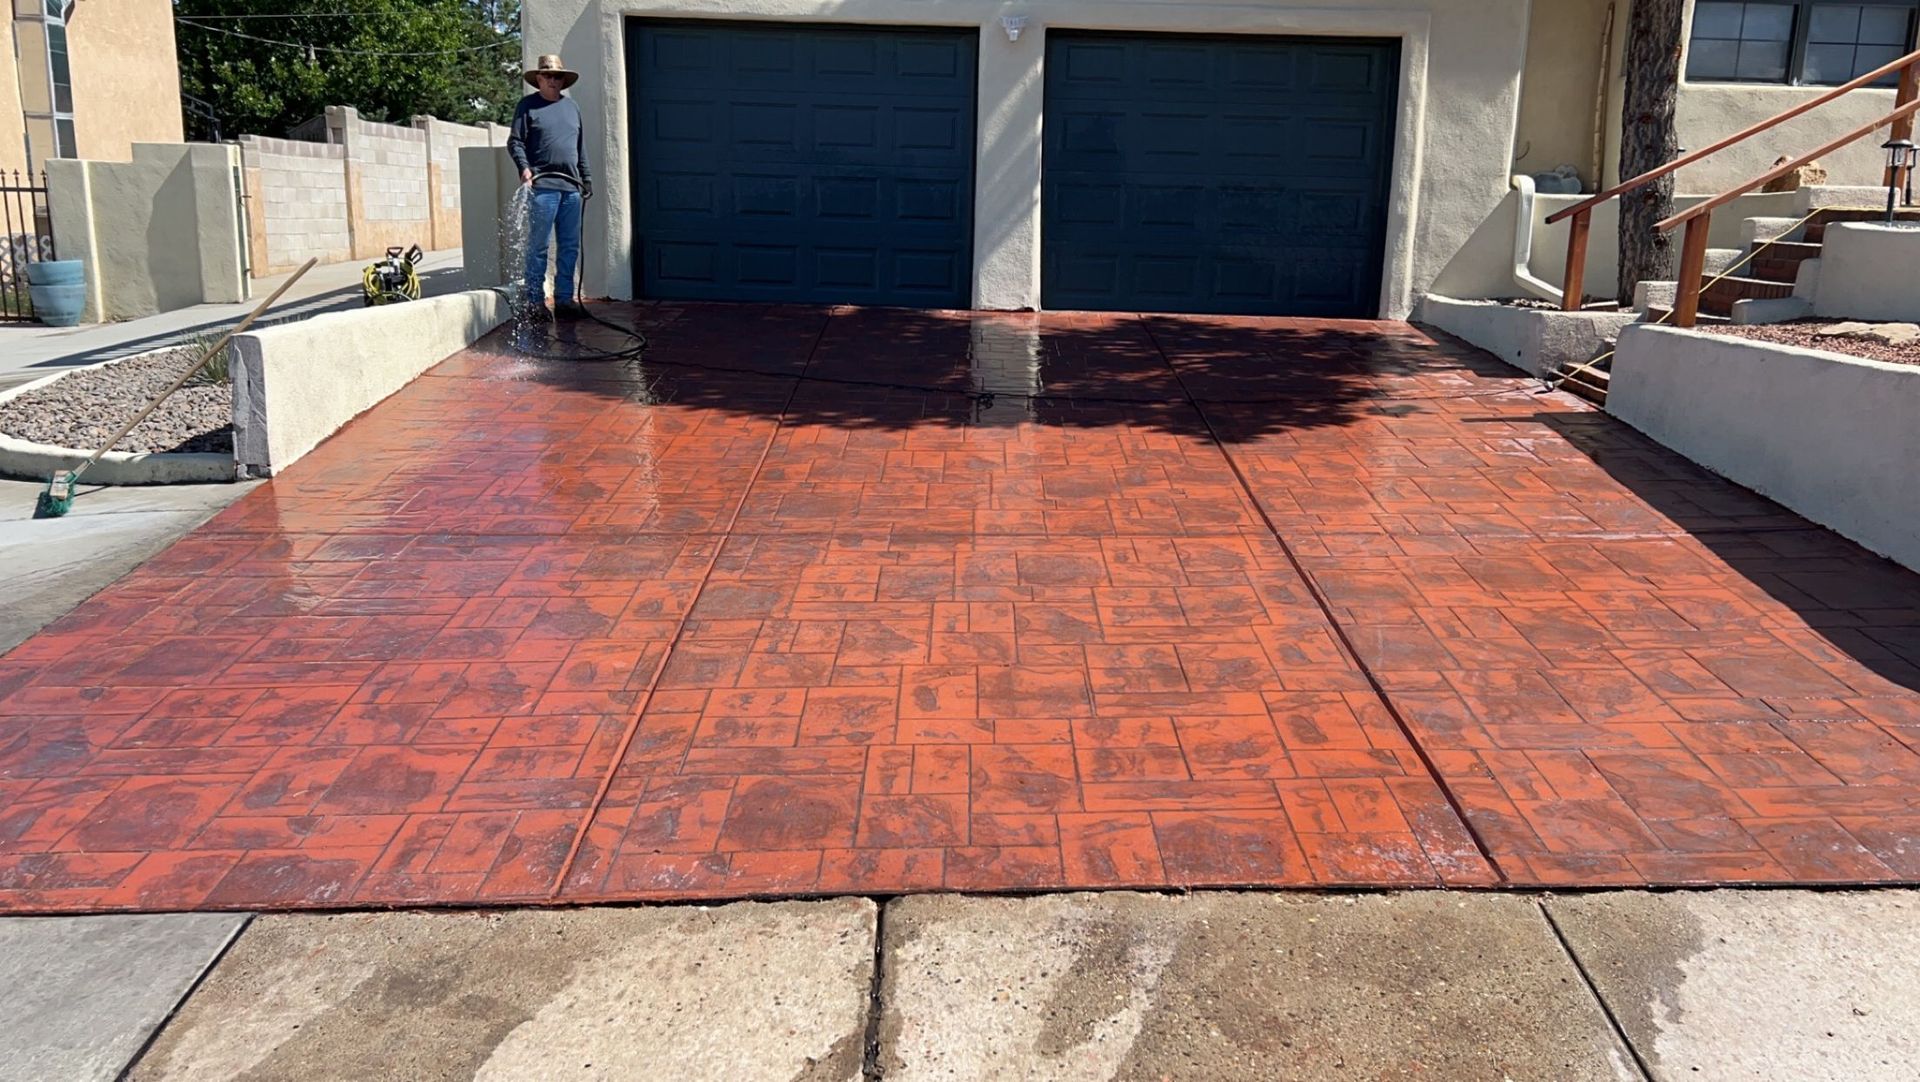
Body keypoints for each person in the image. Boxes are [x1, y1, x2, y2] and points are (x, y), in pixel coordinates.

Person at [507, 54, 592, 320]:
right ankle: (535, 302)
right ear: (539, 79)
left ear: (563, 80)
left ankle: (565, 300)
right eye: (548, 76)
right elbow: (515, 141)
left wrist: (586, 178)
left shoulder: (572, 108)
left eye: (557, 76)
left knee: (569, 246)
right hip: (543, 186)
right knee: (539, 246)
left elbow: (580, 147)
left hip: (571, 188)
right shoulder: (528, 106)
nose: (553, 80)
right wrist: (524, 167)